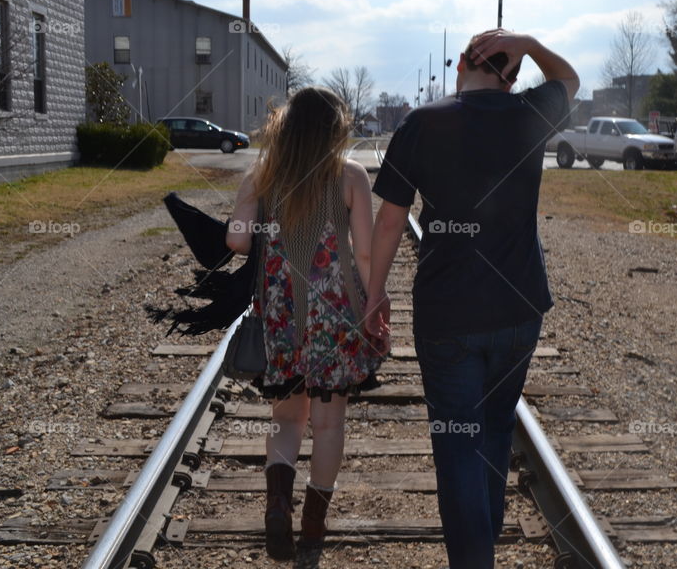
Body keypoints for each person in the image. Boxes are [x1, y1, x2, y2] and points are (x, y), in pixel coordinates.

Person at [365, 29, 579, 568]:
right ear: (511, 77)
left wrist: (375, 293)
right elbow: (569, 79)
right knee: (496, 426)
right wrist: (529, 43)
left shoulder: (423, 121)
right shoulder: (531, 112)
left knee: (459, 442)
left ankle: (474, 558)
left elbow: (390, 220)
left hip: (448, 314)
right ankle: (483, 543)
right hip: (519, 309)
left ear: (461, 63)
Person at [226, 86, 389, 560]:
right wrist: (375, 301)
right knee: (328, 422)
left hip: (280, 312)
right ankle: (313, 529)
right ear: (335, 132)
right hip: (335, 317)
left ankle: (277, 505)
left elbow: (236, 241)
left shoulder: (263, 176)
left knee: (286, 419)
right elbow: (362, 252)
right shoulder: (350, 176)